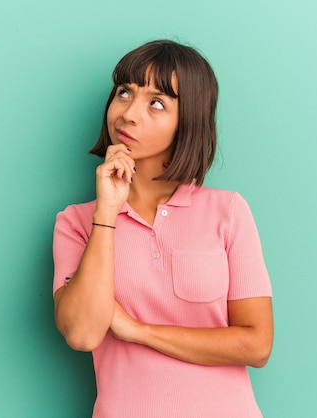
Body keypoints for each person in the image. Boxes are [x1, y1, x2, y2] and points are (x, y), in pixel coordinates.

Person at [52, 39, 273, 418]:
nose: (128, 114)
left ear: (188, 119)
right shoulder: (75, 223)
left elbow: (256, 345)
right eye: (124, 93)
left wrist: (137, 330)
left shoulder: (228, 211)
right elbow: (83, 334)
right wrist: (106, 210)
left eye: (156, 103)